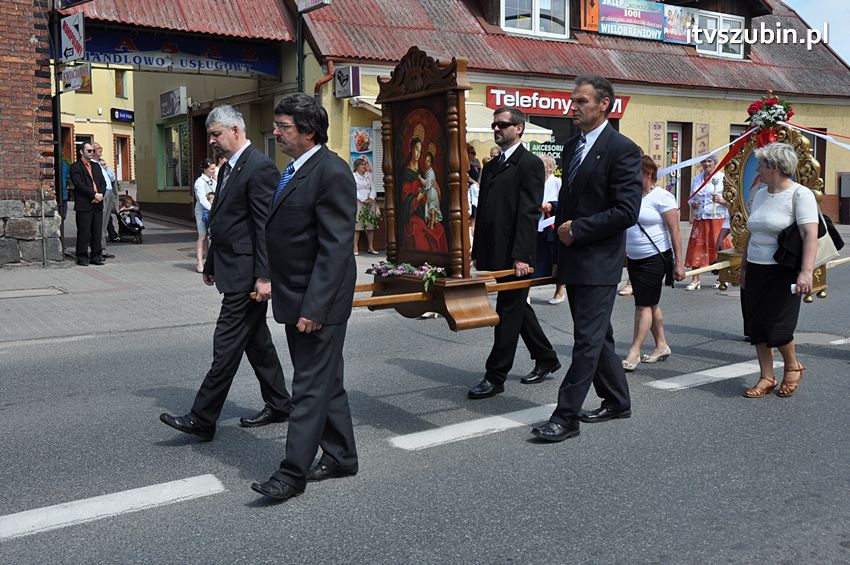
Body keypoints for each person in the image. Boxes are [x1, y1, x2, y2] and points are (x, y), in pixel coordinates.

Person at [160, 105, 292, 441]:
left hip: (249, 275)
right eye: (211, 135)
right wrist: (213, 264)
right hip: (233, 269)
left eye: (217, 134)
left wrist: (265, 276)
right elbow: (225, 220)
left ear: (236, 129)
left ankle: (203, 418)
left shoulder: (259, 167)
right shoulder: (231, 167)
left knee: (226, 344)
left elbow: (265, 226)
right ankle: (279, 403)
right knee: (256, 341)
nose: (214, 141)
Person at [251, 93, 358, 502]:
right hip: (296, 295)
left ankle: (291, 473)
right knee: (327, 382)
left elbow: (334, 248)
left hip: (319, 303)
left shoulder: (331, 172)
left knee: (309, 387)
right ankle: (342, 455)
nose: (276, 133)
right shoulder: (295, 170)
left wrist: (314, 306)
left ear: (309, 131)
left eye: (283, 127)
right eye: (276, 125)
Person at [532, 74, 641, 442]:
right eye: (572, 101)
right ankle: (617, 399)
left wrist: (578, 229)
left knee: (588, 341)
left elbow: (627, 211)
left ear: (604, 104)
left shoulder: (622, 149)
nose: (572, 108)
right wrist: (561, 249)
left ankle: (566, 417)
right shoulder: (571, 146)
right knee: (598, 337)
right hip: (575, 260)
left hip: (599, 262)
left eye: (581, 102)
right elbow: (572, 203)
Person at [468, 106, 561, 399]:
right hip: (494, 250)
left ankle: (495, 375)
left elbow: (527, 212)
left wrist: (521, 255)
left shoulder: (530, 164)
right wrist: (475, 250)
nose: (497, 129)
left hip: (516, 253)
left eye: (502, 125)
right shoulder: (493, 166)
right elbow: (484, 212)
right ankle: (546, 357)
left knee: (508, 312)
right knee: (517, 306)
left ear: (518, 128)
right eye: (495, 125)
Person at [740, 142, 816, 398]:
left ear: (774, 167)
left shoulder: (800, 194)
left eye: (761, 164)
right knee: (757, 325)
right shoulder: (760, 193)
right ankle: (766, 376)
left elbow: (809, 235)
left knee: (778, 326)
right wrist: (744, 267)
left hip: (784, 269)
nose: (758, 169)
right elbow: (752, 232)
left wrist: (806, 272)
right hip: (757, 267)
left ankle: (793, 365)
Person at [621, 156, 686, 371]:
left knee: (643, 305)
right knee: (650, 303)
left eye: (635, 173)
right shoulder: (631, 196)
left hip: (655, 257)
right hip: (635, 258)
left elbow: (675, 231)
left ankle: (634, 351)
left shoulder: (663, 197)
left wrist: (679, 263)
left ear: (648, 174)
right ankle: (661, 345)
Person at [684, 154, 729, 290]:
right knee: (696, 247)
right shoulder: (696, 179)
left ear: (715, 163)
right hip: (700, 218)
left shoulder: (722, 178)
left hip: (717, 217)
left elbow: (733, 198)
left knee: (720, 247)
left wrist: (722, 201)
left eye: (709, 161)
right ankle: (695, 279)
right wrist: (693, 203)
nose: (707, 164)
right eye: (704, 161)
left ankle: (723, 278)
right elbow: (690, 198)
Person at [399, 137, 447, 252]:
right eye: (416, 149)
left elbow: (429, 191)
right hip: (413, 215)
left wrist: (437, 189)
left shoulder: (421, 172)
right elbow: (405, 197)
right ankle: (424, 262)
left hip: (424, 211)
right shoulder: (406, 172)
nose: (418, 153)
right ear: (411, 149)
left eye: (420, 151)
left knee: (439, 229)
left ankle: (437, 262)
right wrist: (417, 198)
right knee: (418, 231)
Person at [534, 154, 566, 305]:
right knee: (534, 257)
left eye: (542, 165)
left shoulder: (557, 182)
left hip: (551, 224)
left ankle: (559, 290)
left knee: (555, 258)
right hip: (536, 223)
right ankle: (527, 289)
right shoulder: (535, 181)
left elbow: (564, 202)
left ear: (550, 167)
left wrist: (551, 205)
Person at [68, 143, 106, 266]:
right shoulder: (75, 167)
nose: (92, 153)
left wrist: (100, 195)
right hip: (84, 204)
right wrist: (93, 195)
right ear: (81, 152)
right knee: (84, 232)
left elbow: (102, 183)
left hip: (97, 203)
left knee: (97, 231)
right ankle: (82, 257)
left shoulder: (96, 166)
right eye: (89, 150)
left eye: (93, 151)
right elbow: (79, 185)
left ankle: (96, 256)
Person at [93, 142, 121, 250]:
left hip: (109, 193)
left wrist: (106, 167)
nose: (101, 150)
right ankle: (100, 249)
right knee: (101, 223)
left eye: (101, 148)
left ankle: (102, 248)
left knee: (105, 223)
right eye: (99, 148)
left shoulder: (100, 164)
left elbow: (112, 178)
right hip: (102, 194)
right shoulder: (93, 164)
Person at [193, 159, 216, 272]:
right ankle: (199, 262)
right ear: (205, 169)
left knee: (211, 236)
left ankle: (209, 261)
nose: (214, 171)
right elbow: (202, 199)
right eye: (212, 169)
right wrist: (212, 209)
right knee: (203, 236)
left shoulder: (213, 180)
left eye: (214, 168)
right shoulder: (200, 182)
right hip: (203, 211)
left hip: (213, 211)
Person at [352, 156, 379, 255]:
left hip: (370, 202)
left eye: (365, 164)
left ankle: (371, 247)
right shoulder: (353, 176)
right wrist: (363, 200)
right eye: (363, 165)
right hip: (359, 202)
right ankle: (355, 248)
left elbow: (373, 188)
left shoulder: (368, 175)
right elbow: (353, 190)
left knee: (370, 226)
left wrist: (371, 198)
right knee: (358, 226)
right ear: (357, 166)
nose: (365, 166)